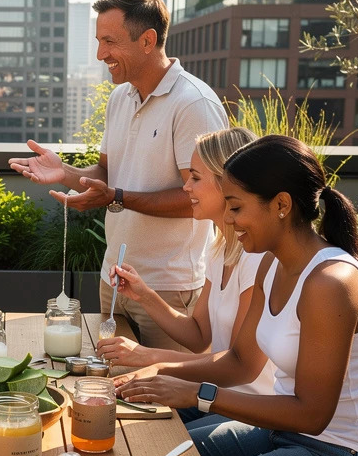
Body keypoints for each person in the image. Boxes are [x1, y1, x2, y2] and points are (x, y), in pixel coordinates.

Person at [119, 135, 358, 456]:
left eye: (236, 207)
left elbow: (312, 415)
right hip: (286, 436)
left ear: (282, 205)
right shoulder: (271, 264)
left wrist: (197, 393)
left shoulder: (330, 283)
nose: (229, 220)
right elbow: (238, 360)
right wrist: (167, 373)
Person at [8, 0, 227, 349]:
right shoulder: (119, 97)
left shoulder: (194, 104)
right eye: (98, 41)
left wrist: (119, 198)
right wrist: (64, 172)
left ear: (148, 40)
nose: (100, 54)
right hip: (115, 279)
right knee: (113, 387)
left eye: (109, 41)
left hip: (168, 287)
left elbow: (201, 200)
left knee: (161, 398)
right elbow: (109, 177)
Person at [98, 126, 275, 430]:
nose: (186, 188)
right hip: (215, 398)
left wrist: (148, 358)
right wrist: (144, 294)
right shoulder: (219, 248)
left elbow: (235, 365)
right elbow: (198, 335)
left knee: (149, 437)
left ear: (226, 183)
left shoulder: (256, 259)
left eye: (195, 177)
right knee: (115, 414)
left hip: (246, 411)